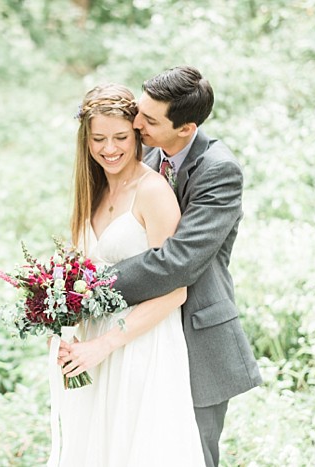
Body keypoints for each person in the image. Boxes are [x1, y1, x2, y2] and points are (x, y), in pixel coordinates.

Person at [60, 67, 263, 467]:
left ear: (185, 128)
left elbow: (178, 262)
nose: (136, 125)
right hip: (135, 337)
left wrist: (84, 291)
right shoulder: (144, 152)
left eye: (148, 120)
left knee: (188, 454)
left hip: (195, 332)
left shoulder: (219, 170)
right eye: (139, 111)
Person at [53, 83, 205, 466]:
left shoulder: (152, 192)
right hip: (91, 346)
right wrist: (67, 331)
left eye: (120, 137)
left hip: (141, 346)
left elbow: (175, 292)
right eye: (98, 139)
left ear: (137, 134)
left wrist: (105, 345)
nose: (109, 149)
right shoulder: (93, 191)